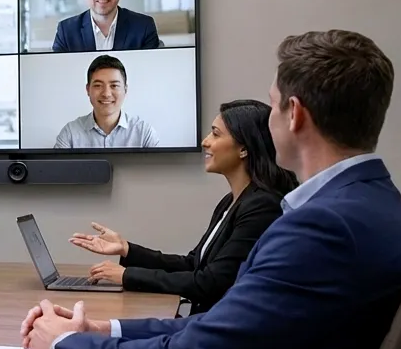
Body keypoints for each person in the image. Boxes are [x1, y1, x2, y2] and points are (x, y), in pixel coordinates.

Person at [21, 30, 401, 349]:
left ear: (296, 115)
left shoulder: (324, 228)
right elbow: (220, 326)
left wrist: (66, 347)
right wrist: (104, 331)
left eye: (273, 105)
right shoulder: (371, 205)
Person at [70, 99, 296, 313]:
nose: (205, 141)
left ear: (244, 149)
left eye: (216, 134)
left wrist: (127, 275)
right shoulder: (231, 201)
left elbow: (211, 283)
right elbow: (193, 264)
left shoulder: (262, 206)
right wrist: (126, 249)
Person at [54, 54, 159, 149]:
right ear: (88, 89)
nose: (106, 94)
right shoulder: (70, 133)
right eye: (98, 86)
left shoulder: (144, 133)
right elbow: (57, 170)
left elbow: (159, 170)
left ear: (125, 90)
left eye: (114, 86)